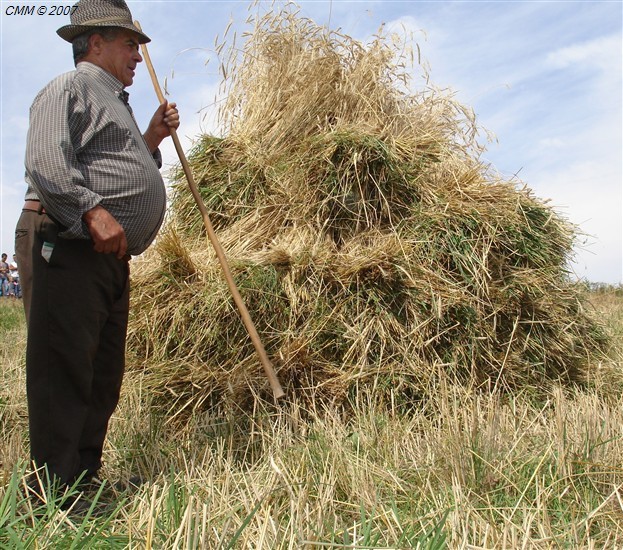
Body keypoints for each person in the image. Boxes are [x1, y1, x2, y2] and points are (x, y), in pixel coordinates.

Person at [14, 0, 179, 501]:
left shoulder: (116, 103)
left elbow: (112, 164)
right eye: (129, 43)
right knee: (64, 366)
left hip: (105, 255)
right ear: (96, 42)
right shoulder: (71, 87)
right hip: (67, 240)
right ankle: (50, 494)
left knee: (102, 372)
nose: (137, 53)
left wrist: (151, 137)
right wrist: (90, 210)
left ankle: (82, 483)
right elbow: (45, 157)